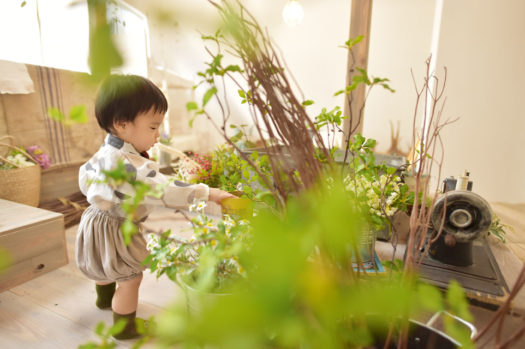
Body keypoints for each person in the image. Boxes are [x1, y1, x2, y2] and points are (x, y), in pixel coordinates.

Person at [76, 74, 234, 339]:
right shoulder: (129, 165)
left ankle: (104, 299)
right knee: (129, 277)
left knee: (103, 264)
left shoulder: (106, 152)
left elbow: (84, 180)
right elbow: (165, 189)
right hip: (116, 227)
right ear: (122, 125)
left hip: (93, 220)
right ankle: (124, 327)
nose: (158, 134)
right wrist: (209, 193)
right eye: (152, 127)